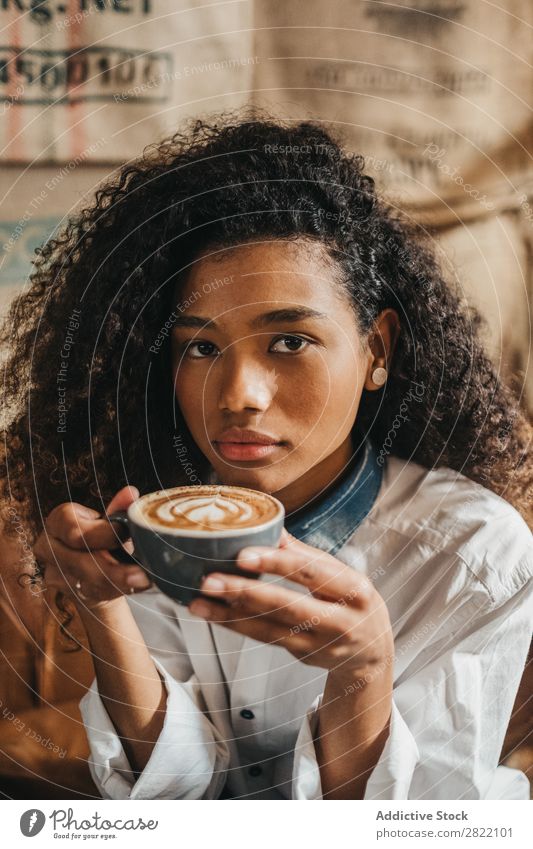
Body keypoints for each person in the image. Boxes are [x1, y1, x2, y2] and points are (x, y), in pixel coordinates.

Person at [1, 113, 531, 800]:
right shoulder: (156, 518)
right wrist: (101, 605)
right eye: (200, 346)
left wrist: (362, 669)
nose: (238, 396)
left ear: (376, 349)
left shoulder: (475, 555)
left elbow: (420, 828)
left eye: (288, 341)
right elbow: (175, 792)